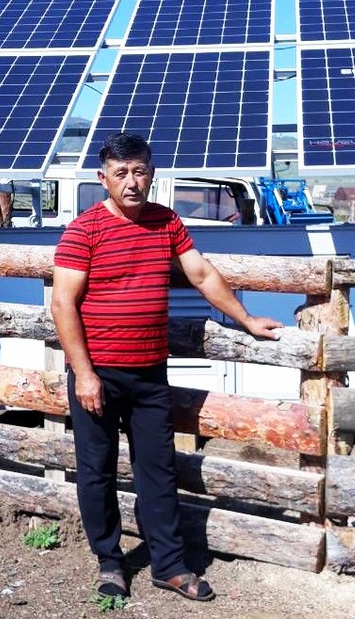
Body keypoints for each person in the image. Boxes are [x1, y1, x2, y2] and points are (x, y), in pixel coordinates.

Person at [51, 131, 283, 603]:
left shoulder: (166, 222)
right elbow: (62, 304)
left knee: (158, 470)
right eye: (121, 174)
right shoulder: (83, 230)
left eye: (140, 172)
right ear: (103, 178)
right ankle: (110, 563)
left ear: (152, 175)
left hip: (150, 374)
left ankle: (169, 566)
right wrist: (86, 374)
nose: (132, 182)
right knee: (96, 470)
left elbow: (200, 273)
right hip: (99, 373)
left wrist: (246, 318)